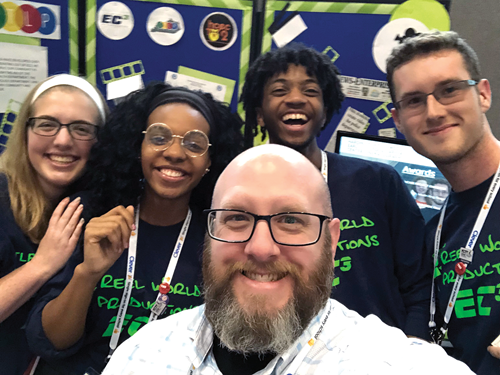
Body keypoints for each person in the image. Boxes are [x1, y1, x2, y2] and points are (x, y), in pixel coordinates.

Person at [102, 144, 474, 374]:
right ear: (209, 233)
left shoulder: (390, 363)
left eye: (291, 221)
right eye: (236, 218)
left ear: (331, 240)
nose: (261, 248)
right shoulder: (139, 356)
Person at [25, 83, 244, 375]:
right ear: (137, 148)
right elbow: (50, 342)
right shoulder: (89, 215)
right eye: (159, 137)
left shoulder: (218, 239)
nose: (175, 153)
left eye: (194, 144)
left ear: (209, 161)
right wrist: (87, 274)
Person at [240, 44, 431, 339]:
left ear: (326, 111)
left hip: (378, 359)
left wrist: (413, 349)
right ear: (259, 114)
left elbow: (419, 283)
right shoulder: (240, 191)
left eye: (310, 91)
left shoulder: (378, 182)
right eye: (279, 91)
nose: (295, 99)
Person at [387, 30, 500, 374]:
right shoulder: (433, 231)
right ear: (398, 121)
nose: (434, 112)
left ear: (482, 94)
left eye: (449, 90)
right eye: (414, 100)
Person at [0, 74, 107, 375]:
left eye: (81, 129)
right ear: (25, 132)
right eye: (47, 124)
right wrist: (42, 265)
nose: (63, 140)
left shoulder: (100, 212)